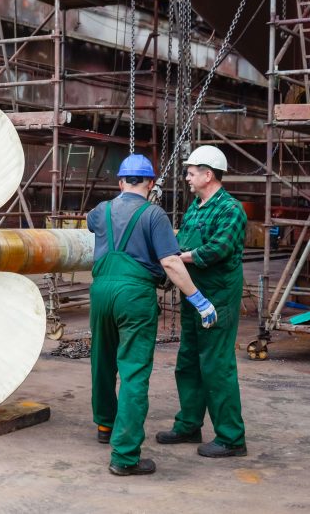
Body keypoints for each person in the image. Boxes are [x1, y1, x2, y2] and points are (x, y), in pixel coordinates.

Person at [86, 154, 218, 476]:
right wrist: (199, 299)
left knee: (102, 361)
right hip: (134, 295)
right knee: (133, 372)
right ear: (149, 184)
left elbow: (93, 225)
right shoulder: (154, 215)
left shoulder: (100, 211)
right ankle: (125, 457)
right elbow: (171, 263)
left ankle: (105, 425)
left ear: (120, 183)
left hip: (101, 292)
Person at [156, 144, 248, 458]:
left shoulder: (231, 209)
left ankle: (231, 437)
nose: (187, 178)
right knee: (188, 361)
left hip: (218, 296)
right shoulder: (196, 207)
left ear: (208, 175)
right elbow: (182, 239)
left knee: (216, 366)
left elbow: (219, 249)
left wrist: (183, 258)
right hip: (193, 294)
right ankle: (189, 423)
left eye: (192, 173)